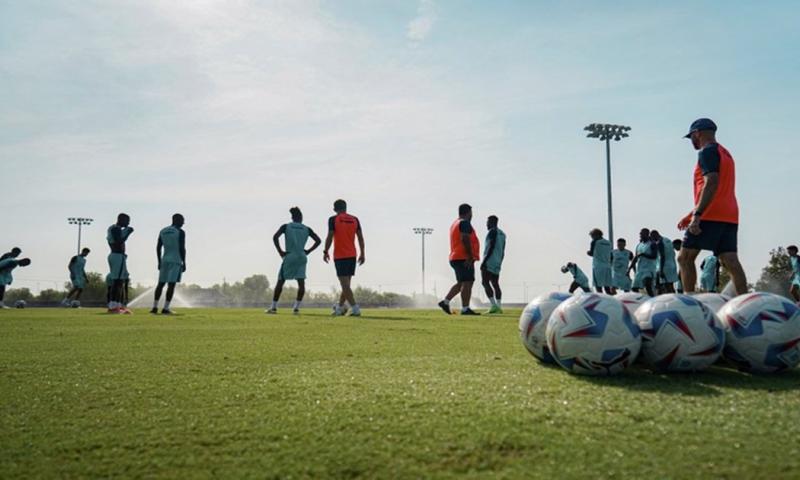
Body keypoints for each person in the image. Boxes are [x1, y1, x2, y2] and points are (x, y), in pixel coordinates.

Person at [677, 118, 747, 295]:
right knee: (730, 260)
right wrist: (690, 214)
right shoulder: (725, 153)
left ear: (697, 133)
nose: (692, 141)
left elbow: (712, 183)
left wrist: (697, 215)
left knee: (685, 258)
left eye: (691, 137)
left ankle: (689, 302)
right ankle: (746, 301)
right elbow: (719, 190)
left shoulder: (707, 151)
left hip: (709, 214)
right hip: (729, 214)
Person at [267, 207, 322, 315]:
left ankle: (273, 307)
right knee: (301, 283)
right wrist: (308, 251)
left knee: (281, 281)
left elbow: (275, 237)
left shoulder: (286, 226)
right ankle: (296, 308)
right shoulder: (306, 228)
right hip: (302, 256)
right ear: (301, 217)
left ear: (292, 217)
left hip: (290, 255)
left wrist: (280, 251)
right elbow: (318, 240)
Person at [323, 199, 365, 317]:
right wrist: (362, 253)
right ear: (345, 208)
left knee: (344, 285)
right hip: (352, 255)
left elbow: (330, 236)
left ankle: (355, 308)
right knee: (346, 285)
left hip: (340, 255)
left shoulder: (333, 219)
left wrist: (325, 251)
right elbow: (360, 237)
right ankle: (340, 308)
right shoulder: (355, 219)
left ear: (335, 209)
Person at [439, 204, 481, 316]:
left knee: (462, 282)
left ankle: (445, 302)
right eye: (471, 213)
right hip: (463, 257)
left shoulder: (455, 223)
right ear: (468, 213)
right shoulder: (464, 222)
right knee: (467, 282)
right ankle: (465, 309)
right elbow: (465, 238)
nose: (472, 215)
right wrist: (470, 256)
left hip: (455, 257)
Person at [151, 214, 187, 315]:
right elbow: (182, 248)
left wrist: (159, 261)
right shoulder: (180, 232)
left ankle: (154, 307)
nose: (183, 223)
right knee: (171, 285)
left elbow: (158, 247)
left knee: (160, 284)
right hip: (176, 260)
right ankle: (166, 308)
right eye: (182, 220)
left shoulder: (163, 231)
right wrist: (184, 262)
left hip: (165, 260)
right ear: (177, 220)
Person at [107, 213, 134, 314]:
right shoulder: (116, 229)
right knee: (117, 281)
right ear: (121, 219)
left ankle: (118, 306)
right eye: (127, 221)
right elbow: (119, 241)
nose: (128, 223)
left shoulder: (114, 228)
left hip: (118, 256)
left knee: (120, 282)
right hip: (117, 256)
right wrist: (128, 233)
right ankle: (113, 306)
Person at [481, 215, 506, 314]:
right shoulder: (502, 234)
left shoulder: (492, 232)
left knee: (485, 282)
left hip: (489, 261)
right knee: (495, 284)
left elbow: (491, 246)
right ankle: (499, 306)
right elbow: (503, 250)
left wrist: (484, 261)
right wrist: (500, 261)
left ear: (492, 222)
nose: (486, 225)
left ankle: (493, 305)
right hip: (497, 261)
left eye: (487, 222)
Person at [629, 228, 657, 297]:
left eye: (642, 233)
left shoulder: (652, 244)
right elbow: (635, 258)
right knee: (634, 288)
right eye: (640, 233)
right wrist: (629, 269)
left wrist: (643, 254)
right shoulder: (639, 245)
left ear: (647, 234)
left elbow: (654, 256)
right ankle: (639, 300)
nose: (640, 235)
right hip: (640, 270)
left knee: (648, 285)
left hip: (649, 269)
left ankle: (652, 298)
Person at [587, 228, 614, 294]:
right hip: (607, 267)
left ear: (597, 235)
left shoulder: (595, 242)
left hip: (598, 267)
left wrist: (588, 252)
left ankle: (601, 299)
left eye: (592, 236)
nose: (592, 238)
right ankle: (610, 299)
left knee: (598, 287)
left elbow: (591, 253)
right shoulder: (608, 243)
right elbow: (611, 256)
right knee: (607, 288)